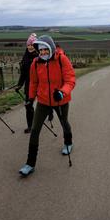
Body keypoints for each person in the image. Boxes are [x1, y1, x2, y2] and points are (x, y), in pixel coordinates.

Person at [19, 35, 76, 176]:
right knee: (35, 129)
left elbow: (70, 80)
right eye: (41, 50)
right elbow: (33, 82)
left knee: (64, 123)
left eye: (46, 49)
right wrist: (31, 98)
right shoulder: (35, 63)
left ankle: (68, 143)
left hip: (60, 100)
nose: (43, 52)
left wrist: (62, 92)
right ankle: (30, 163)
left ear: (51, 48)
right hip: (43, 101)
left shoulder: (62, 60)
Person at [15, 33, 39, 133]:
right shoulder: (25, 57)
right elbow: (23, 73)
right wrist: (19, 84)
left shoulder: (39, 56)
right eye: (28, 45)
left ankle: (49, 112)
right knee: (28, 105)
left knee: (45, 102)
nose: (30, 47)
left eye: (32, 45)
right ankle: (31, 126)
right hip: (29, 85)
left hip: (40, 84)